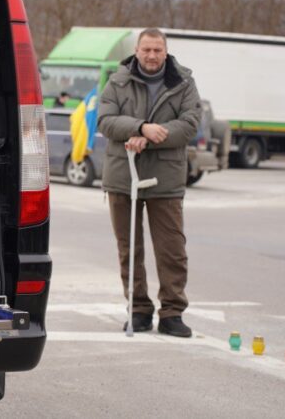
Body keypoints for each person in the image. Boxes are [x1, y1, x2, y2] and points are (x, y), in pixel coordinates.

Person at [97, 28, 201, 337]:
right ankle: (138, 311)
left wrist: (149, 138)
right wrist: (141, 127)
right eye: (147, 50)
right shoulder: (118, 81)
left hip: (165, 177)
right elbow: (104, 120)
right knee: (129, 248)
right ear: (137, 51)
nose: (152, 55)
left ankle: (172, 313)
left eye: (157, 50)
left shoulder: (184, 83)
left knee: (171, 249)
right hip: (122, 175)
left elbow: (189, 124)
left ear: (165, 52)